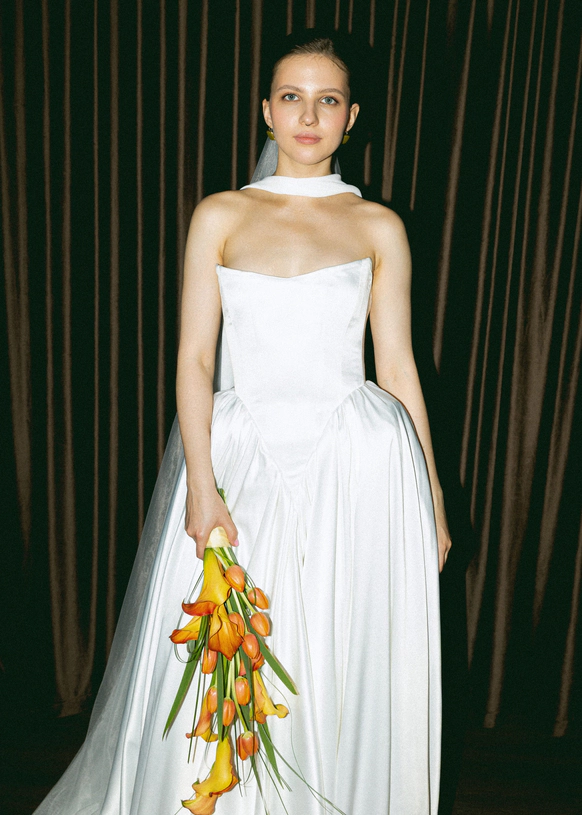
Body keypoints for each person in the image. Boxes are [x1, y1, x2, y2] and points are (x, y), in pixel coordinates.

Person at [34, 37, 449, 815]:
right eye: (292, 96)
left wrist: (432, 498)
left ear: (352, 117)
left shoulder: (378, 226)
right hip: (240, 455)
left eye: (328, 100)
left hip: (357, 466)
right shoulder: (220, 214)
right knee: (231, 652)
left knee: (336, 650)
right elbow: (194, 358)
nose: (308, 115)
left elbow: (397, 368)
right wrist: (201, 485)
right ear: (266, 110)